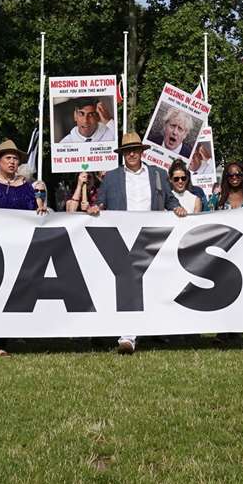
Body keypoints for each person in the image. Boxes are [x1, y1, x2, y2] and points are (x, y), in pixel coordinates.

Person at [90, 133, 171, 355]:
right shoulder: (112, 178)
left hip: (150, 235)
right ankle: (127, 335)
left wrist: (178, 209)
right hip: (122, 235)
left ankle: (150, 328)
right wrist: (96, 208)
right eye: (128, 150)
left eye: (135, 149)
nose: (132, 153)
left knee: (150, 285)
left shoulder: (158, 174)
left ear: (142, 151)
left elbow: (170, 200)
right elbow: (100, 201)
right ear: (123, 154)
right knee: (128, 284)